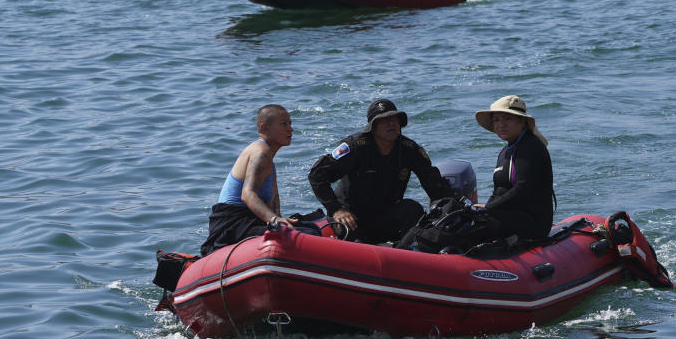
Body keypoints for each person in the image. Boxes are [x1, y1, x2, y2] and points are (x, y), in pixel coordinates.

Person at [308, 99, 452, 243]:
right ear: (372, 127)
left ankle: (404, 253)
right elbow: (317, 175)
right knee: (352, 234)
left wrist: (450, 211)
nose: (391, 123)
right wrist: (336, 209)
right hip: (351, 216)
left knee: (412, 208)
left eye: (394, 118)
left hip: (384, 216)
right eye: (384, 120)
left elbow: (435, 186)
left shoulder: (410, 150)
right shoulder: (355, 147)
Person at [200, 105, 297, 256]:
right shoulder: (261, 152)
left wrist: (281, 221)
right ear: (264, 127)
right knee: (298, 235)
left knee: (302, 228)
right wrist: (275, 220)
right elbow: (247, 194)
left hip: (247, 221)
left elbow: (273, 202)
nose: (290, 129)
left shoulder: (269, 160)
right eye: (284, 124)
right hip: (231, 224)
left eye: (290, 124)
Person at [474, 95, 554, 240]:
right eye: (496, 120)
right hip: (510, 215)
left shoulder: (530, 147)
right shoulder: (505, 152)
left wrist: (488, 209)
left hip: (533, 223)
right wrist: (481, 209)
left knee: (473, 227)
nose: (501, 124)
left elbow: (522, 189)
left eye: (507, 118)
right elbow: (498, 191)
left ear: (522, 122)